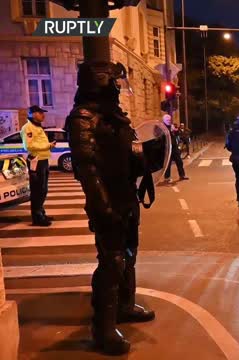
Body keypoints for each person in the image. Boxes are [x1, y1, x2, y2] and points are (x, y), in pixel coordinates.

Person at [66, 61, 155, 355]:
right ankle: (102, 328)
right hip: (107, 201)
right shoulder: (83, 119)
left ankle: (125, 306)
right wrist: (102, 207)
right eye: (116, 83)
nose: (119, 89)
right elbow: (87, 170)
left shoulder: (114, 117)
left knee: (129, 254)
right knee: (112, 261)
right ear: (102, 82)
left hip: (126, 196)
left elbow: (129, 155)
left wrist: (150, 155)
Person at [20, 105, 54, 227]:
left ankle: (41, 213)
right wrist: (48, 146)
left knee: (43, 189)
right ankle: (37, 217)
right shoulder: (28, 127)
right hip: (36, 162)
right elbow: (28, 146)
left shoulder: (37, 127)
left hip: (43, 161)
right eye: (40, 113)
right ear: (32, 114)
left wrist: (48, 145)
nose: (43, 115)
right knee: (37, 190)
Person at [163, 115, 189, 183]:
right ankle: (167, 178)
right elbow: (162, 137)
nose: (169, 121)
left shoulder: (171, 126)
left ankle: (182, 175)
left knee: (179, 161)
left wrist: (175, 130)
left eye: (169, 120)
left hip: (174, 147)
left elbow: (177, 134)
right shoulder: (162, 127)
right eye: (167, 120)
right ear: (164, 120)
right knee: (168, 164)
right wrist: (169, 130)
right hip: (168, 148)